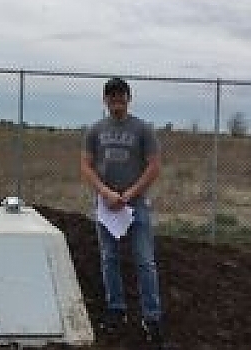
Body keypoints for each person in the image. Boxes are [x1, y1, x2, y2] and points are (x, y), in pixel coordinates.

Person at [81, 77, 166, 347]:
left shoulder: (142, 129)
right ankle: (116, 310)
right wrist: (105, 193)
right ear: (105, 100)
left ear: (129, 98)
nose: (117, 99)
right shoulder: (95, 130)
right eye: (112, 95)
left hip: (135, 205)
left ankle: (151, 317)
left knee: (145, 261)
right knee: (109, 258)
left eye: (121, 95)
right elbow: (86, 166)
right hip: (106, 206)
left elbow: (153, 166)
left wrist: (130, 194)